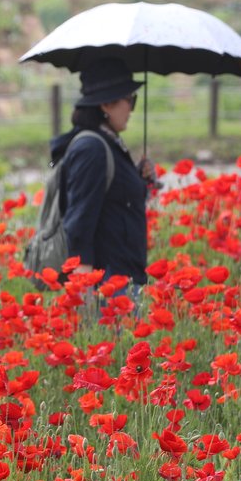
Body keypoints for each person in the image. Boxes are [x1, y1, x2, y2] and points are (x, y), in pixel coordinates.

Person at [49, 58, 156, 306]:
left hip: (121, 278)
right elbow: (80, 224)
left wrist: (139, 179)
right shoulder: (92, 148)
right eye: (130, 100)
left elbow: (114, 200)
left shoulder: (107, 142)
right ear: (107, 104)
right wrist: (83, 295)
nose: (131, 108)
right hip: (106, 288)